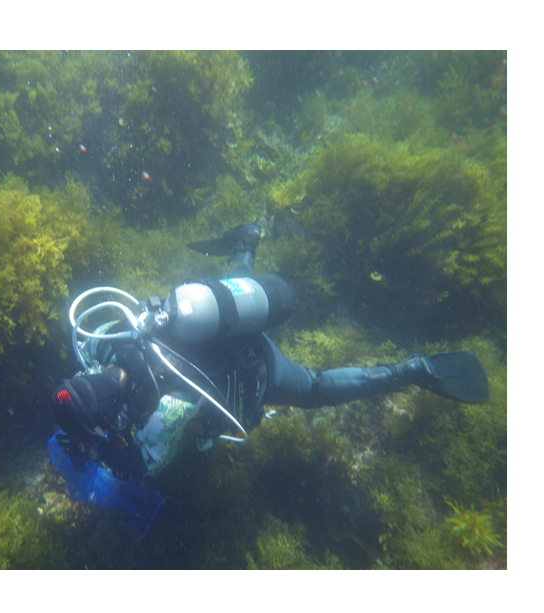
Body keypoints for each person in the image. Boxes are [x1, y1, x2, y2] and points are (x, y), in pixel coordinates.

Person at [48, 224, 490, 536]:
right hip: (220, 326)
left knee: (314, 388)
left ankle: (411, 371)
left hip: (255, 370)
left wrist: (103, 448)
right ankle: (246, 239)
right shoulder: (108, 340)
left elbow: (143, 466)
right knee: (231, 285)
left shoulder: (161, 405)